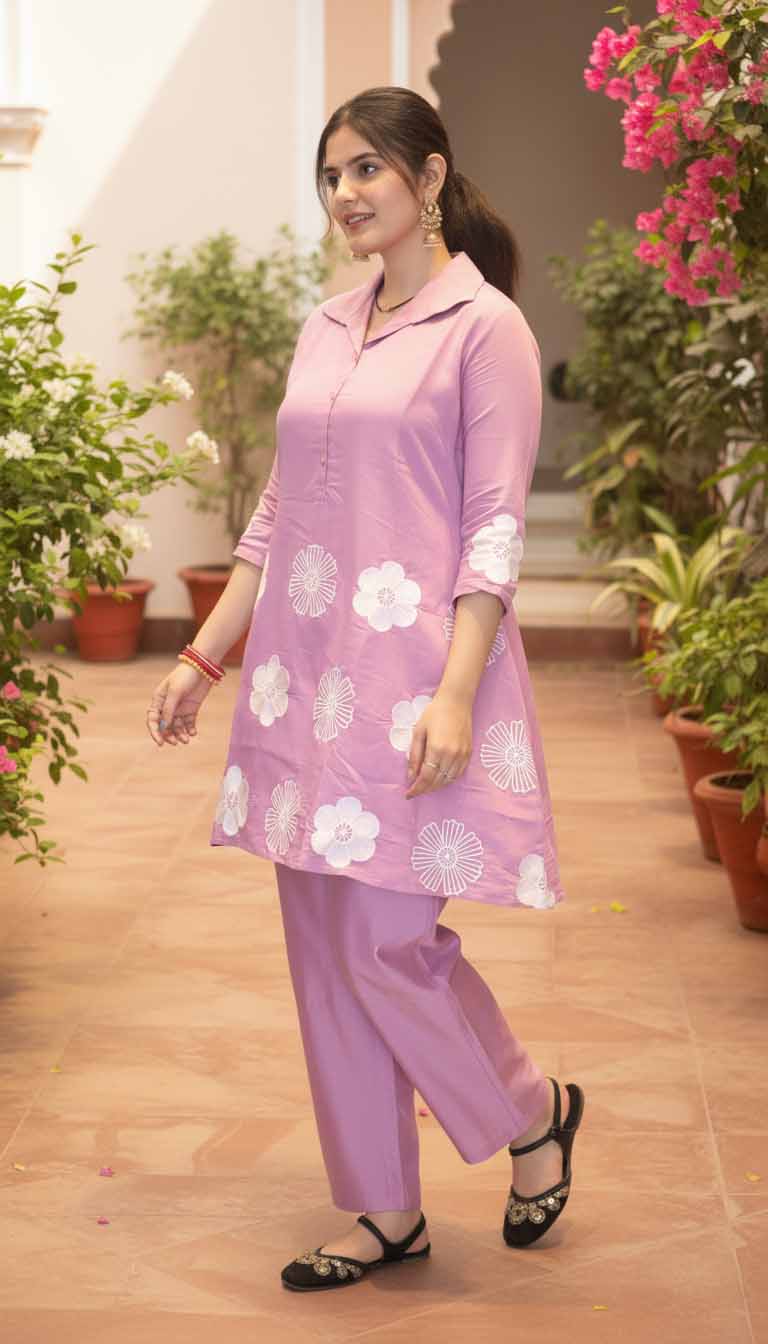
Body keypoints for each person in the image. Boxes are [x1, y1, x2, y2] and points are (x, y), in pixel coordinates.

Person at [146, 86, 584, 1293]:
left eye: (365, 170)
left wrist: (456, 693)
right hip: (304, 684)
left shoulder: (485, 330)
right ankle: (384, 1207)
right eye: (330, 175)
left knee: (388, 943)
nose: (344, 193)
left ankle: (532, 1111)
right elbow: (277, 514)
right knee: (325, 947)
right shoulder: (326, 325)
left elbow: (495, 529)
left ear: (428, 178)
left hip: (414, 680)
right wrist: (203, 656)